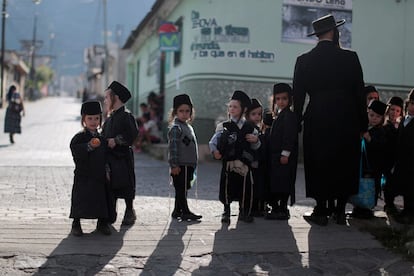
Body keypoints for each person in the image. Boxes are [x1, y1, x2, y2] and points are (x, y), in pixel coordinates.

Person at [292, 14, 367, 226]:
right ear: (335, 31)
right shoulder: (351, 58)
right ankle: (340, 209)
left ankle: (321, 208)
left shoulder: (304, 60)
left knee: (319, 161)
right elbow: (359, 94)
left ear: (317, 35)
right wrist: (363, 124)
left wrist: (297, 121)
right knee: (344, 160)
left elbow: (298, 97)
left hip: (317, 115)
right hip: (347, 116)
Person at [209, 90, 261, 224]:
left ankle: (243, 211)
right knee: (227, 186)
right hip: (229, 163)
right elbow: (213, 142)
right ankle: (226, 211)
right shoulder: (224, 126)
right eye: (230, 106)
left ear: (243, 109)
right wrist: (215, 151)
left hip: (244, 163)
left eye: (235, 106)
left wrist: (255, 140)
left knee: (244, 187)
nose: (232, 109)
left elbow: (256, 147)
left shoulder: (250, 128)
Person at [69, 101, 112, 236]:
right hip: (84, 175)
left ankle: (102, 222)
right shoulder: (79, 137)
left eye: (97, 118)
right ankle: (76, 223)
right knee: (81, 199)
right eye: (90, 118)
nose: (93, 122)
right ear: (83, 120)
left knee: (101, 198)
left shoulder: (102, 138)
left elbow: (106, 156)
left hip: (99, 176)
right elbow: (75, 150)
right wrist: (88, 146)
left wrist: (107, 170)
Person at [102, 81, 139, 226]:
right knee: (112, 186)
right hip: (110, 158)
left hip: (123, 158)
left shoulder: (126, 116)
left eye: (107, 97)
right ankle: (111, 212)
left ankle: (130, 210)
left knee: (126, 185)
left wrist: (116, 140)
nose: (105, 101)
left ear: (115, 98)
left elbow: (132, 134)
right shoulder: (109, 119)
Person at [266, 83, 298, 220]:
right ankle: (278, 208)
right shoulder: (279, 115)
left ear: (289, 99)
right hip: (276, 157)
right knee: (277, 182)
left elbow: (289, 136)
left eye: (284, 98)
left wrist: (285, 153)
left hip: (283, 157)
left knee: (283, 183)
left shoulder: (289, 116)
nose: (281, 102)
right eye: (278, 99)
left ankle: (282, 209)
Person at [168, 94, 202, 221]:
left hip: (189, 165)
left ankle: (177, 210)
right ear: (175, 112)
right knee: (181, 189)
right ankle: (185, 211)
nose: (184, 114)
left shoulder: (188, 127)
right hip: (181, 164)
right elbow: (173, 147)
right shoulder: (176, 128)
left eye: (187, 111)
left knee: (183, 188)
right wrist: (174, 165)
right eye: (181, 111)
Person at [352, 100, 387, 219]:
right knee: (359, 185)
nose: (374, 118)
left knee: (371, 188)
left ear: (382, 118)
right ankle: (357, 207)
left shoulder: (381, 131)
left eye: (378, 116)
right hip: (361, 165)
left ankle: (367, 209)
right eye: (371, 115)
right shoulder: (364, 128)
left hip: (373, 167)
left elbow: (380, 147)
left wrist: (370, 139)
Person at [391, 89, 414, 224]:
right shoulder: (404, 120)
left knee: (411, 189)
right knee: (404, 187)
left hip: (411, 161)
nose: (412, 107)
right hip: (401, 160)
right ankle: (406, 210)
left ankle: (410, 212)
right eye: (411, 103)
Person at [245, 98, 267, 217]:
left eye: (259, 114)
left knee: (257, 185)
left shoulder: (257, 128)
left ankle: (257, 207)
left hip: (257, 163)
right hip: (252, 162)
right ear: (248, 115)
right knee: (253, 186)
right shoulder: (248, 127)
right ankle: (253, 208)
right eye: (254, 114)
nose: (257, 117)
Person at [382, 96, 404, 214]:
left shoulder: (401, 126)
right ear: (388, 110)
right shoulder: (385, 126)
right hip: (387, 159)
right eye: (392, 109)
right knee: (388, 182)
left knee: (395, 182)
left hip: (397, 159)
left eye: (397, 111)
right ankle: (388, 204)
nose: (394, 113)